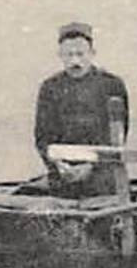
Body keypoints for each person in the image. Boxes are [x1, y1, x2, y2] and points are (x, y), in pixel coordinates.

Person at [33, 22, 129, 198]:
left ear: (92, 54)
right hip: (63, 176)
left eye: (80, 54)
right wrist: (59, 166)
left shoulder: (112, 85)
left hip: (102, 177)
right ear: (60, 55)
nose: (74, 61)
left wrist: (91, 167)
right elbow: (42, 136)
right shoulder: (50, 88)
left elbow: (118, 137)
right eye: (68, 55)